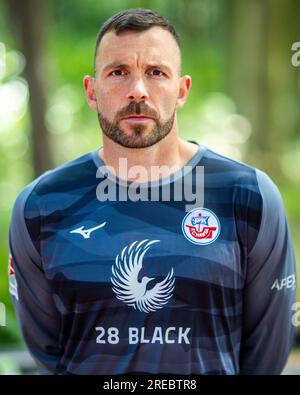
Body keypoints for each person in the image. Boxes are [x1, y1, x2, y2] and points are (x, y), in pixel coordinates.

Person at [9, 8, 296, 375]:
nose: (138, 91)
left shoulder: (249, 196)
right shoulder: (41, 206)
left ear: (181, 90)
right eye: (118, 72)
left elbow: (266, 354)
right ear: (91, 91)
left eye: (156, 73)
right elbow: (48, 353)